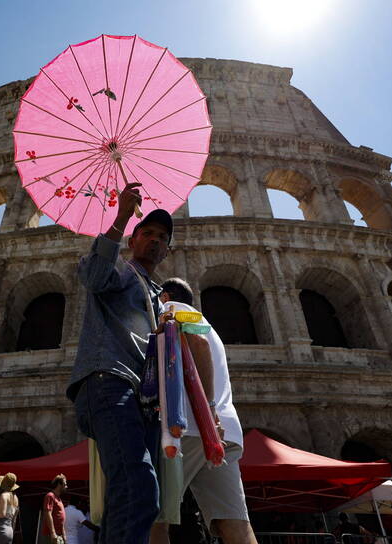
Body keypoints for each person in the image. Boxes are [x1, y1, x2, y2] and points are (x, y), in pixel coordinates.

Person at [68, 182, 172, 544]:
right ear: (133, 240)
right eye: (147, 233)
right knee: (140, 486)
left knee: (123, 497)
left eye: (162, 237)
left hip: (140, 399)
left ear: (167, 249)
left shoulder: (156, 293)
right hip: (108, 382)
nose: (155, 240)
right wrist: (122, 217)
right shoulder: (122, 271)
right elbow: (94, 276)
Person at [150, 278, 256, 544]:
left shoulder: (170, 307)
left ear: (164, 296)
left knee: (154, 517)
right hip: (226, 433)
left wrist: (208, 412)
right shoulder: (211, 327)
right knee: (235, 522)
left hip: (193, 426)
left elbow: (198, 344)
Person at [38, 475, 66, 544]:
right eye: (65, 484)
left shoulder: (59, 499)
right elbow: (48, 514)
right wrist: (53, 533)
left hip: (59, 535)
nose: (66, 486)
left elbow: (61, 519)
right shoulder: (50, 496)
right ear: (59, 484)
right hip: (51, 535)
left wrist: (64, 534)